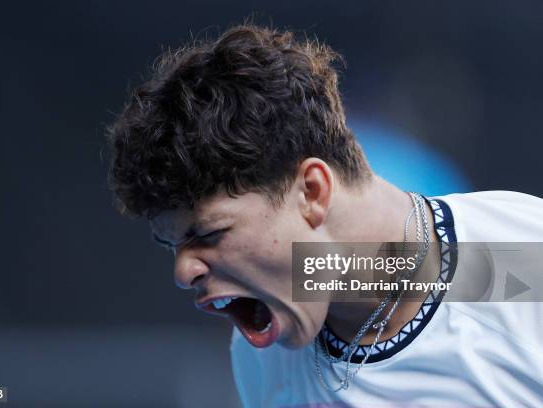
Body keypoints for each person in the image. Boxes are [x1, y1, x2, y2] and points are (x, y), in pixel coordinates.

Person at [107, 23, 543, 407]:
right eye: (174, 244)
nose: (183, 272)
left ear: (312, 192)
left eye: (210, 232)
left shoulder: (521, 261)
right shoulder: (265, 349)